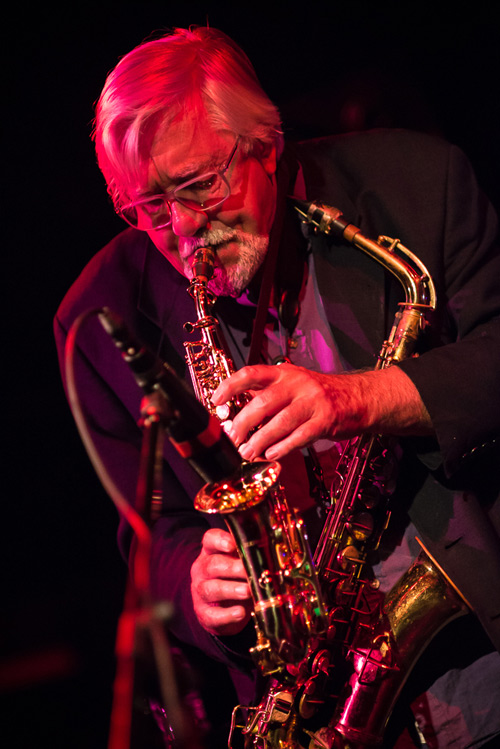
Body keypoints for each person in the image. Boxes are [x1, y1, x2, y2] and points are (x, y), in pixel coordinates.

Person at [54, 26, 500, 748]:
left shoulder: (418, 183)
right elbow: (150, 535)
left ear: (265, 143)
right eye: (149, 207)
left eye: (200, 184)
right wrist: (195, 584)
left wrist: (358, 397)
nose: (185, 229)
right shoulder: (102, 316)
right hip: (321, 705)